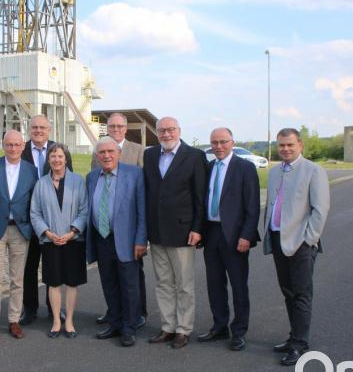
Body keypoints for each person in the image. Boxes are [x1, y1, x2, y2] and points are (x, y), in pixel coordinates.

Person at [263, 128, 330, 366]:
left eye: (290, 145)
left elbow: (320, 211)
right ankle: (293, 337)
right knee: (288, 292)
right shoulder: (274, 172)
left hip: (301, 243)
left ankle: (300, 344)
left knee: (301, 294)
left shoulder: (313, 170)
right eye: (281, 145)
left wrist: (308, 239)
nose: (285, 149)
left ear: (300, 145)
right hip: (279, 240)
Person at [142, 116, 207, 349]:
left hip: (183, 231)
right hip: (157, 231)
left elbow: (200, 196)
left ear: (179, 130)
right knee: (163, 282)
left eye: (170, 130)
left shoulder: (195, 156)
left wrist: (198, 228)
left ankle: (183, 329)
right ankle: (168, 327)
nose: (166, 134)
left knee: (184, 284)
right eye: (161, 131)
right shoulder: (149, 155)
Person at [197, 128, 260, 351]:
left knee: (238, 285)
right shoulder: (209, 167)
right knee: (214, 284)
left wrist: (246, 235)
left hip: (235, 236)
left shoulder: (245, 168)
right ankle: (219, 326)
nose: (218, 146)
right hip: (211, 233)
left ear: (232, 142)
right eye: (214, 142)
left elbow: (252, 206)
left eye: (223, 142)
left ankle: (239, 331)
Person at [0, 130, 39, 342]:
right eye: (9, 145)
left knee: (17, 279)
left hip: (21, 231)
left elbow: (34, 202)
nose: (13, 149)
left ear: (23, 146)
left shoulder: (32, 171)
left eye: (17, 145)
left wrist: (33, 228)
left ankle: (14, 320)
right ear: (3, 146)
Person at [87, 137, 147, 347]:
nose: (106, 156)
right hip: (101, 238)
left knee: (129, 286)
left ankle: (129, 328)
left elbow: (142, 210)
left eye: (110, 151)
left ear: (119, 153)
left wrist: (141, 239)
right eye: (102, 153)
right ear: (97, 156)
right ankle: (114, 323)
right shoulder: (92, 176)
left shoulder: (134, 174)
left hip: (127, 240)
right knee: (109, 283)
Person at [30, 143, 89, 339]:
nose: (57, 159)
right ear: (48, 160)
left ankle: (69, 320)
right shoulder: (41, 184)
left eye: (60, 156)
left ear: (66, 159)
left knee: (72, 282)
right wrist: (47, 233)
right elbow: (35, 213)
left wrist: (72, 232)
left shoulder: (78, 181)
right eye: (53, 156)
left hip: (73, 240)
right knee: (53, 282)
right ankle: (56, 320)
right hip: (51, 241)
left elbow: (84, 210)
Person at [20, 115, 73, 326]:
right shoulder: (19, 149)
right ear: (29, 129)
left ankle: (54, 310)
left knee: (53, 267)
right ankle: (29, 309)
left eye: (42, 127)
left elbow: (71, 183)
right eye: (34, 127)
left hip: (55, 222)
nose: (38, 130)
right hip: (28, 220)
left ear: (49, 130)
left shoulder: (59, 149)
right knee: (28, 268)